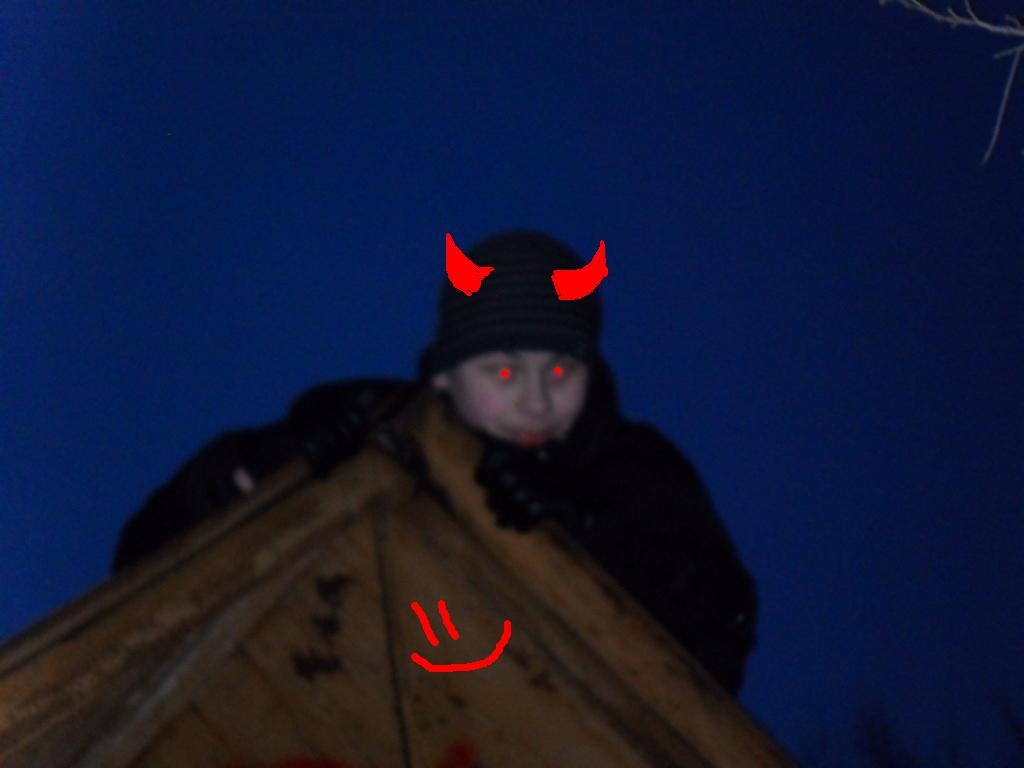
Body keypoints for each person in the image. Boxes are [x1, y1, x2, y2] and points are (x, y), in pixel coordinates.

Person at [112, 230, 758, 695]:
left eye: (561, 371)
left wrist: (585, 543)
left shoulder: (633, 472)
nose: (536, 401)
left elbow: (718, 645)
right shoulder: (366, 427)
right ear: (446, 373)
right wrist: (252, 481)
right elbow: (140, 576)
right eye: (503, 371)